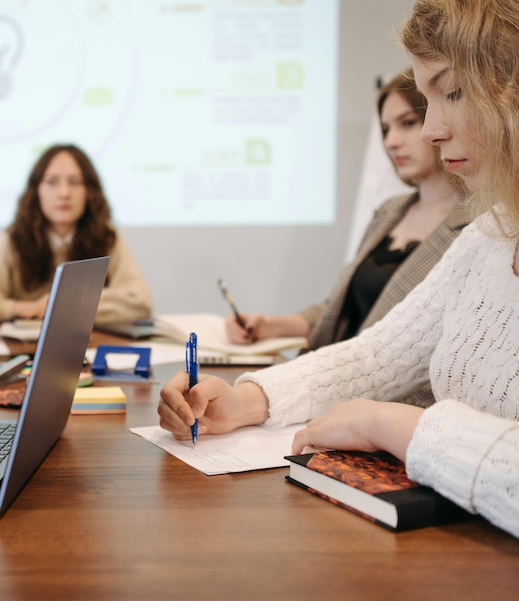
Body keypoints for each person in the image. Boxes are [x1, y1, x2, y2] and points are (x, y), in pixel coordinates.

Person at [159, 0, 519, 539]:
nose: (430, 131)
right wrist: (246, 401)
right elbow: (381, 352)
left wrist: (395, 425)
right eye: (427, 100)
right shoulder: (493, 233)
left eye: (454, 92)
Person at [226, 71, 469, 401]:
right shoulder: (389, 212)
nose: (391, 141)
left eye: (407, 123)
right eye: (386, 129)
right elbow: (341, 310)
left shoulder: (477, 226)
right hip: (328, 385)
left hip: (389, 404)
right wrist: (269, 326)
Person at [0, 144, 152, 326]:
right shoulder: (15, 240)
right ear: (36, 191)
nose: (64, 193)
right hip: (25, 350)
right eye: (52, 182)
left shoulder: (106, 238)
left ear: (89, 192)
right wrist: (20, 309)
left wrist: (66, 305)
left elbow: (140, 301)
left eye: (75, 182)